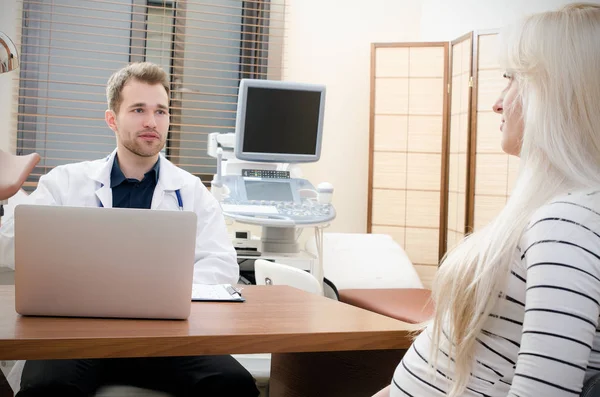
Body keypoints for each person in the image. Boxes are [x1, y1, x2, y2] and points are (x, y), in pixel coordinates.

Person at [373, 3, 600, 397]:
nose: (497, 101)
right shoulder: (562, 211)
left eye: (512, 79)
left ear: (557, 96)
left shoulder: (568, 225)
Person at [0, 62, 259, 397]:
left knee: (232, 385)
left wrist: (162, 292)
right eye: (138, 109)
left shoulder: (192, 190)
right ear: (112, 119)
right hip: (79, 335)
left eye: (160, 111)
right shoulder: (65, 182)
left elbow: (222, 268)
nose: (151, 121)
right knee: (46, 386)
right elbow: (10, 246)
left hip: (166, 339)